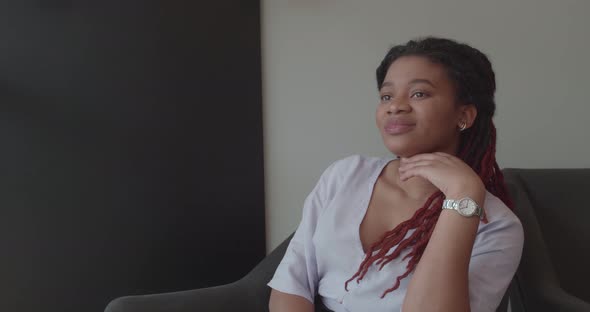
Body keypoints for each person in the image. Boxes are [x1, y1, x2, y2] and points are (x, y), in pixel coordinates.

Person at [267, 37, 524, 312]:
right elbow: (292, 284)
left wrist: (463, 195)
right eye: (387, 96)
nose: (395, 106)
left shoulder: (497, 226)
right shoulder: (345, 175)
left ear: (463, 115)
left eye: (419, 94)